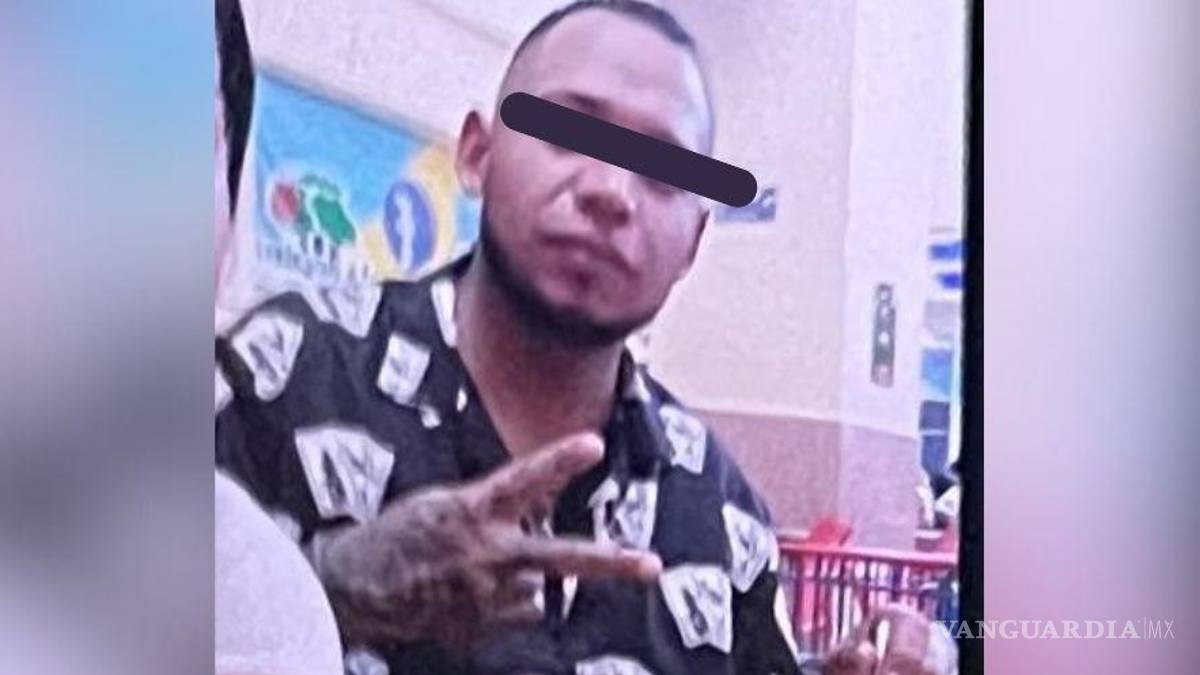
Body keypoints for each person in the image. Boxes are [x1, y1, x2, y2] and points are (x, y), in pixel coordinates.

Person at [215, 2, 954, 673]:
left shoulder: (722, 519)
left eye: (662, 169)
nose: (609, 191)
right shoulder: (275, 380)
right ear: (476, 154)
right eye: (569, 131)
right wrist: (333, 587)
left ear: (694, 243)